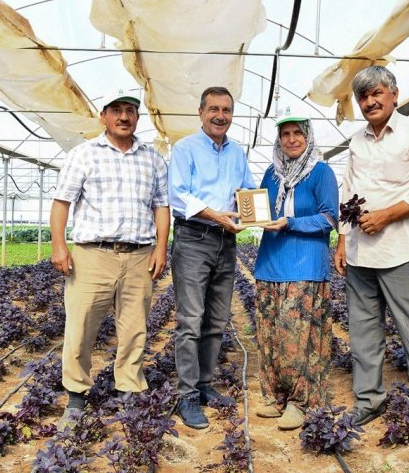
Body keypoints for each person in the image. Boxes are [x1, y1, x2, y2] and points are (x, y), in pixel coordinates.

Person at [333, 66, 409, 441]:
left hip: (403, 253)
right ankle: (369, 400)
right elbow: (348, 192)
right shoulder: (357, 141)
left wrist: (386, 215)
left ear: (394, 95)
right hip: (360, 255)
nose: (370, 102)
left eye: (376, 93)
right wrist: (343, 238)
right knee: (363, 334)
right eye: (363, 97)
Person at [51, 94, 169, 426]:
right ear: (103, 116)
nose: (124, 117)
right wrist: (59, 246)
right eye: (116, 111)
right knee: (81, 325)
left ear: (137, 118)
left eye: (130, 111)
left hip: (139, 255)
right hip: (93, 254)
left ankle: (128, 389)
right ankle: (76, 395)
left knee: (134, 327)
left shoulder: (153, 158)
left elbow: (162, 206)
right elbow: (62, 202)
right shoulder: (84, 154)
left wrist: (161, 248)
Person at [168, 86, 255, 429]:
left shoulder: (236, 153)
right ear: (201, 113)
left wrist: (251, 214)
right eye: (214, 109)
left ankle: (204, 385)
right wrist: (216, 215)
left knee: (217, 320)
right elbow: (178, 196)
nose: (221, 116)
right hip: (194, 238)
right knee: (190, 320)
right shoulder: (185, 148)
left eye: (226, 110)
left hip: (225, 241)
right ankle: (187, 395)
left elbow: (247, 192)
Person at [252, 111, 339, 430]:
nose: (291, 139)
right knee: (270, 336)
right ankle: (278, 396)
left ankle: (301, 402)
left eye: (297, 133)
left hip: (305, 265)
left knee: (298, 338)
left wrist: (290, 223)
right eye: (285, 134)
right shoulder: (271, 174)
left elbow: (329, 218)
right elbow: (260, 210)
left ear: (308, 136)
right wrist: (247, 216)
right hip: (269, 263)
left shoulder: (320, 172)